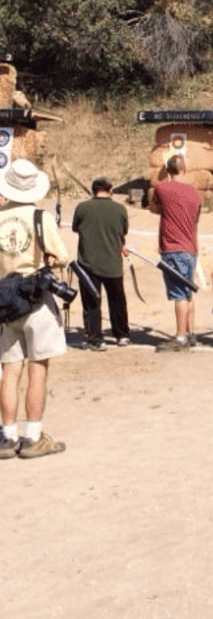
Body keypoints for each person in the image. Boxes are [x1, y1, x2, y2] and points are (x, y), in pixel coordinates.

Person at [0, 159, 68, 459]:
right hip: (36, 298)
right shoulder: (41, 217)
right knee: (38, 369)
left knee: (10, 369)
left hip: (5, 299)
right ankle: (32, 436)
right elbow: (62, 256)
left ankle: (7, 436)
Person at [148, 155, 201, 352]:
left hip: (173, 248)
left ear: (168, 170)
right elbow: (196, 218)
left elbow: (154, 207)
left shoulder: (162, 188)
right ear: (184, 169)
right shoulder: (195, 193)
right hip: (190, 248)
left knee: (179, 294)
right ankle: (190, 333)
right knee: (187, 293)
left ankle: (180, 337)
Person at [71, 174, 130, 350]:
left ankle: (96, 338)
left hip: (88, 264)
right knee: (117, 302)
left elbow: (76, 227)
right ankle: (122, 335)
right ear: (110, 190)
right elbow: (123, 231)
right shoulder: (120, 209)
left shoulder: (82, 207)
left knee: (91, 303)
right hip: (113, 263)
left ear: (93, 190)